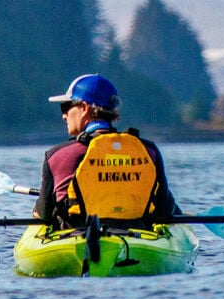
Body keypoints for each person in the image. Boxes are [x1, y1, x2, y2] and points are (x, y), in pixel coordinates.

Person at [34, 73, 179, 230]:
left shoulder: (57, 156)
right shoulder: (149, 151)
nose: (64, 115)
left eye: (66, 107)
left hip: (76, 239)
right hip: (137, 237)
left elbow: (43, 215)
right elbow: (164, 211)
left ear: (84, 108)